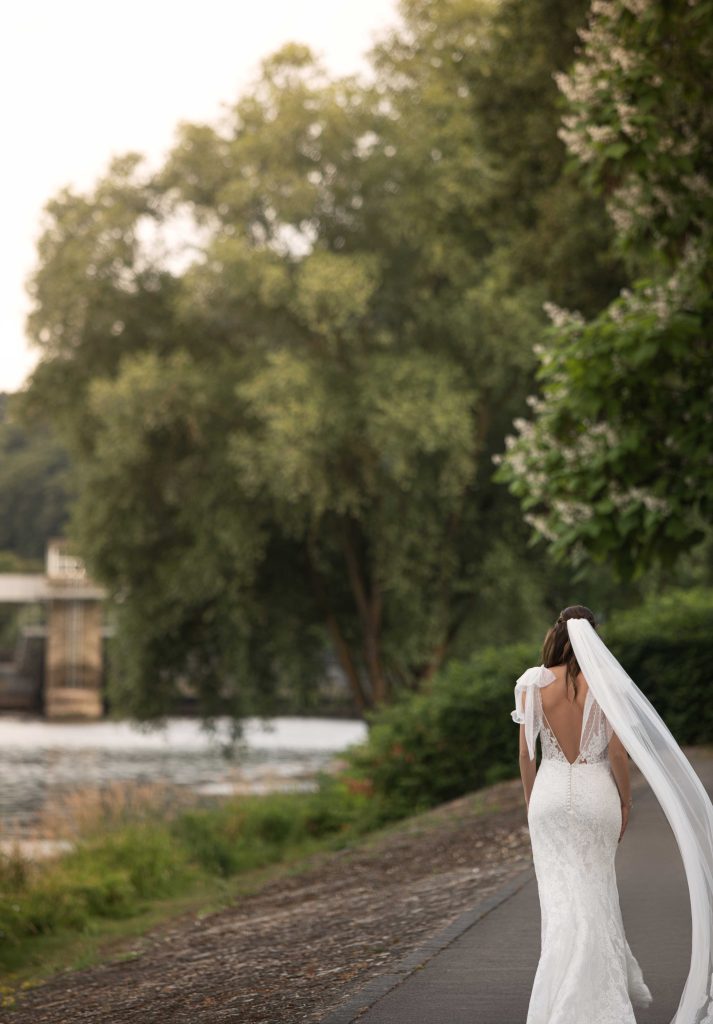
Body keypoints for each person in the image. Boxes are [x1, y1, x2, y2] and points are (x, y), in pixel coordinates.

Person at [512, 605, 713, 1024]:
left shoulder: (534, 682)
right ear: (591, 637)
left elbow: (525, 754)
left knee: (560, 898)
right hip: (595, 795)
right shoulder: (603, 684)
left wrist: (532, 804)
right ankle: (592, 997)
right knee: (595, 890)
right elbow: (618, 752)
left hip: (549, 794)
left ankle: (560, 995)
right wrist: (625, 801)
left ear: (557, 634)